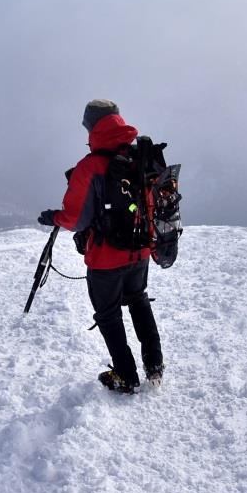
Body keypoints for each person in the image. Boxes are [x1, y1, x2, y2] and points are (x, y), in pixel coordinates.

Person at [38, 99, 165, 394]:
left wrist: (52, 217)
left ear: (93, 127)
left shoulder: (91, 166)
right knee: (139, 301)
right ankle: (154, 365)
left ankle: (125, 375)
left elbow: (74, 219)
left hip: (106, 259)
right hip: (141, 250)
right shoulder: (140, 158)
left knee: (108, 315)